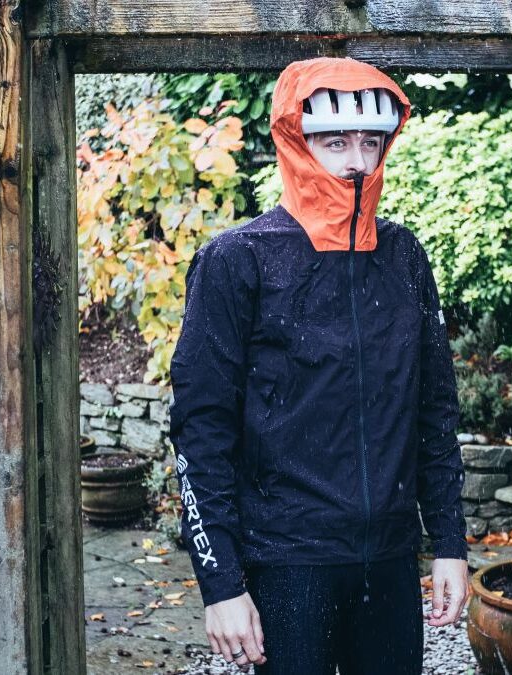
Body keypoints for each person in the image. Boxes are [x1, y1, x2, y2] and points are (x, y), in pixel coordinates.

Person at [169, 57, 468, 674]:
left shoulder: (406, 257)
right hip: (287, 565)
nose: (356, 160)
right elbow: (201, 430)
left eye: (370, 141)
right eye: (335, 142)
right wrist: (222, 584)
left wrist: (450, 544)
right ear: (295, 142)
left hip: (387, 561)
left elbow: (435, 413)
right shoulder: (236, 262)